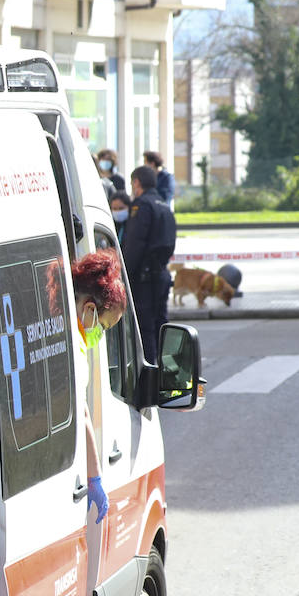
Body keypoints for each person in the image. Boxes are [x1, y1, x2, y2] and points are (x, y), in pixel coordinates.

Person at [72, 248, 129, 528]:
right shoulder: (72, 341)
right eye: (104, 327)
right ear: (90, 309)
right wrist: (95, 478)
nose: (100, 334)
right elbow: (80, 413)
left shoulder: (68, 326)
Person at [123, 165, 177, 362]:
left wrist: (124, 275)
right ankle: (165, 370)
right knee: (160, 324)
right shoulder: (163, 204)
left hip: (144, 278)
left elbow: (135, 244)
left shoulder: (142, 205)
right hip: (161, 274)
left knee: (145, 328)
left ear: (137, 183)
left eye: (132, 183)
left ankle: (150, 373)